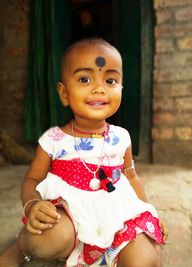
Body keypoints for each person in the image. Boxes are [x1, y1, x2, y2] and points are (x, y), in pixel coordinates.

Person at [0, 38, 168, 267]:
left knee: (146, 258)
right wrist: (32, 205)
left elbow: (131, 176)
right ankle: (20, 249)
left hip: (115, 215)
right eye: (84, 79)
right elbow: (32, 179)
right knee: (46, 241)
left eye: (110, 80)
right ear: (64, 93)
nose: (99, 88)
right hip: (71, 217)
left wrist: (149, 213)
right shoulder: (54, 140)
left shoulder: (122, 137)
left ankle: (111, 255)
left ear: (121, 88)